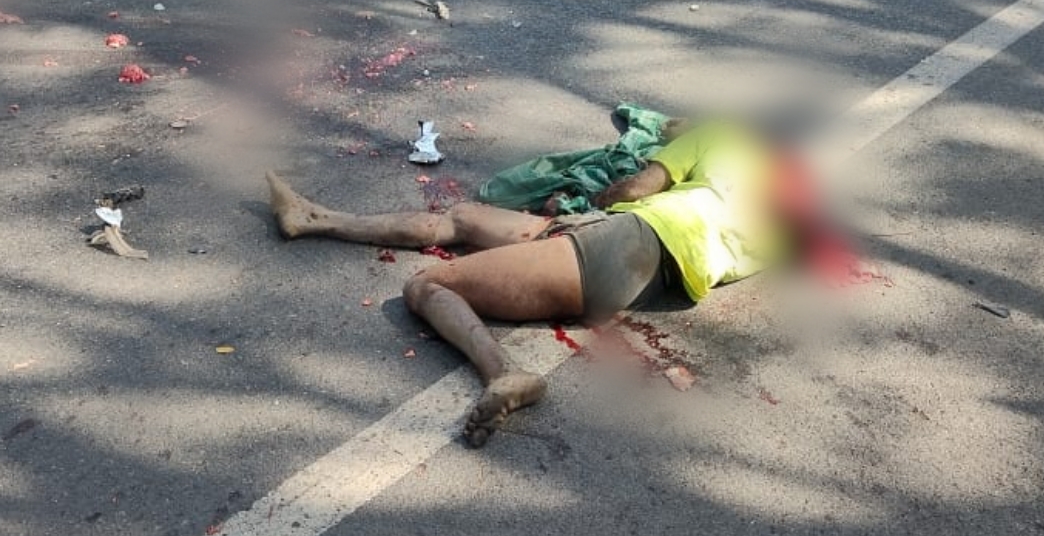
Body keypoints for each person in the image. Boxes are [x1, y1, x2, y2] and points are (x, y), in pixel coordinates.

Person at [266, 119, 806, 446]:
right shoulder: (784, 223)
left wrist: (605, 194)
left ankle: (505, 374)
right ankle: (316, 219)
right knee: (465, 218)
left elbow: (637, 188)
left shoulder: (719, 134)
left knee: (427, 286)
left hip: (627, 240)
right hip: (644, 272)